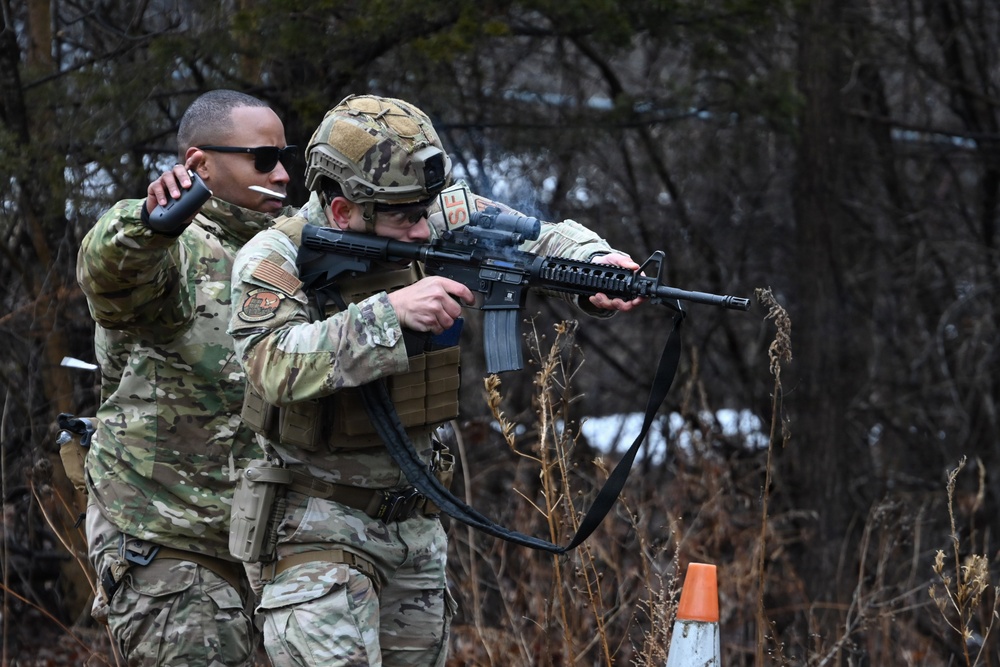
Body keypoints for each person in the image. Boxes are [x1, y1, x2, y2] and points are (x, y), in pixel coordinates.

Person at [227, 93, 642, 667]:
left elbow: (539, 238)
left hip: (414, 530)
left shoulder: (421, 209)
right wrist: (387, 315)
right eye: (407, 219)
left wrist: (596, 262)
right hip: (314, 529)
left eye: (426, 210)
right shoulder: (276, 257)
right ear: (343, 211)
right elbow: (269, 362)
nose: (426, 230)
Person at [76, 89, 296, 666]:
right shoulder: (172, 248)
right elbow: (111, 274)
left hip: (275, 544)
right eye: (263, 160)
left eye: (284, 157)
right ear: (200, 162)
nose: (282, 174)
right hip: (170, 539)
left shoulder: (286, 249)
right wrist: (146, 224)